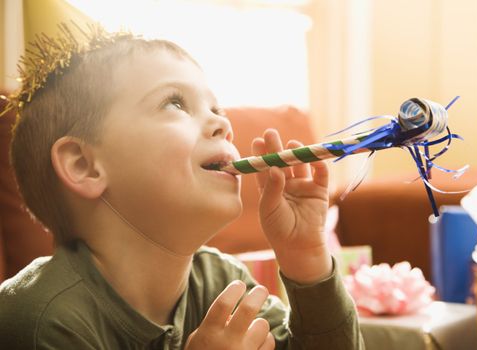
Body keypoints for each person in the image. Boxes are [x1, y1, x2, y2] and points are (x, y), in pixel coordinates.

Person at [0, 25, 364, 349]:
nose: (223, 124)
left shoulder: (222, 283)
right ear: (84, 165)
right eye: (175, 102)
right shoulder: (39, 321)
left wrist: (307, 260)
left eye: (215, 108)